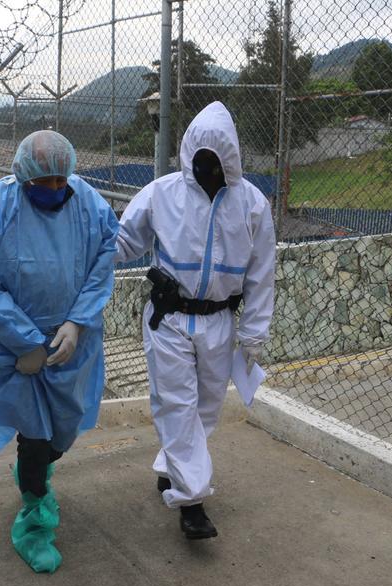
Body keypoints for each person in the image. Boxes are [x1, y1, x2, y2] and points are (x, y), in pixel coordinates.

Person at [115, 102, 275, 540]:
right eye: (201, 160)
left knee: (206, 408)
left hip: (219, 320)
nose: (208, 169)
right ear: (189, 155)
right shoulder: (162, 193)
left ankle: (171, 467)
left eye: (217, 162)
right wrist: (88, 241)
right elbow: (125, 241)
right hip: (170, 317)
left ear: (231, 161)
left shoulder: (252, 205)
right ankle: (192, 503)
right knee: (176, 404)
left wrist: (254, 332)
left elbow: (262, 273)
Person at [0, 129, 118, 573]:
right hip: (15, 346)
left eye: (60, 181)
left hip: (74, 342)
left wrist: (77, 321)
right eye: (44, 182)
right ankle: (33, 521)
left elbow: (105, 254)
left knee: (61, 432)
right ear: (23, 175)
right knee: (34, 437)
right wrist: (26, 341)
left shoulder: (88, 202)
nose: (54, 189)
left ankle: (36, 471)